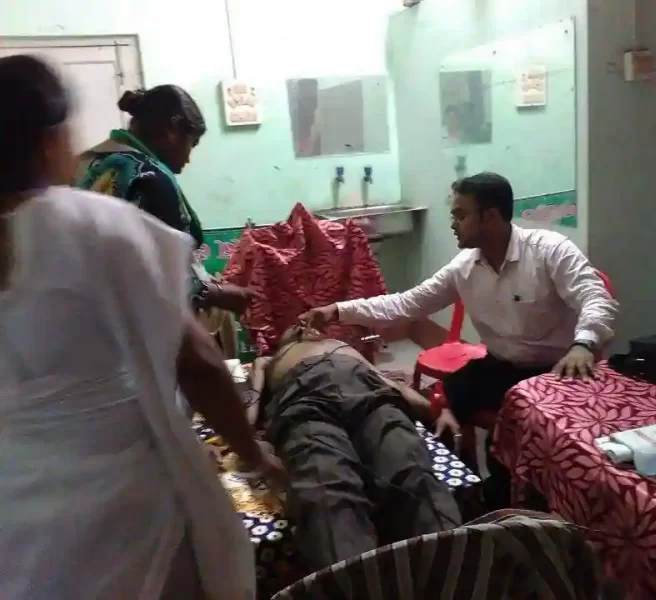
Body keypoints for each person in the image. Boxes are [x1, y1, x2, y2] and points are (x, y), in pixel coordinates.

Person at [0, 54, 282, 599]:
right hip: (118, 505)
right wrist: (253, 453)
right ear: (48, 139)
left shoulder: (102, 180)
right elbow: (197, 362)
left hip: (18, 511)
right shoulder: (97, 218)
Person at [302, 172, 618, 438]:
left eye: (460, 215)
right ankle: (466, 474)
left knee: (534, 433)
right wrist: (336, 311)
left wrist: (584, 344)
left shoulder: (550, 251)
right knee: (434, 407)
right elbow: (407, 303)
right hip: (500, 368)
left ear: (490, 217)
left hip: (556, 370)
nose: (453, 224)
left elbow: (595, 297)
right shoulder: (464, 268)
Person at [257, 325, 462, 571]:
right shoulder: (270, 359)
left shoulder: (341, 346)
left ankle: (453, 575)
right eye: (294, 326)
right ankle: (357, 581)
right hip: (305, 403)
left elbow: (392, 384)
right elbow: (250, 403)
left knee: (412, 470)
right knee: (325, 492)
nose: (302, 326)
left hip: (372, 396)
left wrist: (438, 410)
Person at [76, 85, 250, 314]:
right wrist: (216, 293)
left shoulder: (84, 164)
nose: (188, 159)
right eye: (192, 144)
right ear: (171, 131)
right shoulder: (149, 178)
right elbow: (165, 284)